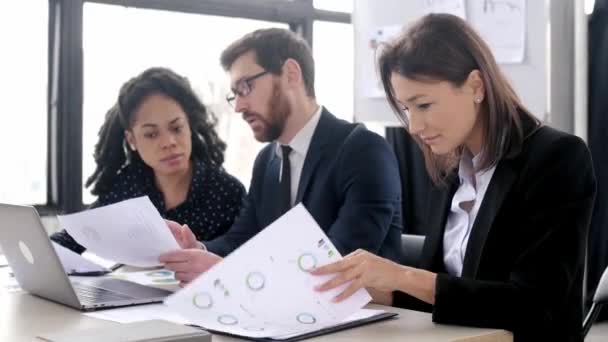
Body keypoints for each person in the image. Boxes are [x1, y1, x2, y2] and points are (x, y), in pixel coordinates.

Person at [311, 14, 596, 341]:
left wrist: (403, 275)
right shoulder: (452, 171)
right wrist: (375, 289)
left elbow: (536, 303)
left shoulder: (557, 157)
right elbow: (448, 293)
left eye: (424, 105)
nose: (414, 127)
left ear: (476, 86)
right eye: (406, 109)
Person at [160, 28, 403, 284]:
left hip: (363, 314)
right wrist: (198, 251)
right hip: (287, 313)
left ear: (290, 74)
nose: (240, 107)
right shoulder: (267, 160)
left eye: (246, 87)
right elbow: (241, 240)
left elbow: (339, 262)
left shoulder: (363, 150)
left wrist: (227, 271)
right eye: (235, 95)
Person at [51, 67, 246, 254]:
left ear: (189, 126)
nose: (169, 142)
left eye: (176, 128)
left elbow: (239, 251)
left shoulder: (227, 192)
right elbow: (75, 237)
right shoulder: (127, 186)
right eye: (151, 134)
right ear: (132, 140)